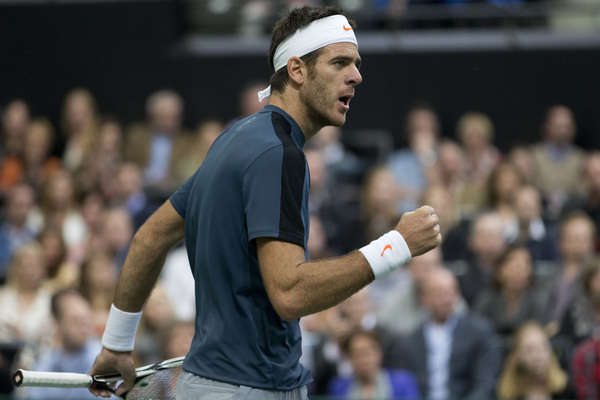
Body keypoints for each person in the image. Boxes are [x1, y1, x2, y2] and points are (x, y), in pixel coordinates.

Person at [89, 6, 441, 400]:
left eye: (355, 64)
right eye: (340, 62)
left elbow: (149, 238)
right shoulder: (279, 154)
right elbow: (290, 293)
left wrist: (117, 344)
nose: (356, 76)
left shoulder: (234, 140)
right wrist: (395, 247)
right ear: (297, 71)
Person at [395, 267, 501, 400]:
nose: (446, 299)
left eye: (450, 292)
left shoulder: (479, 333)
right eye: (439, 293)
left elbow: (485, 384)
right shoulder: (409, 342)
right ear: (424, 299)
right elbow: (405, 387)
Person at [28, 288, 101, 400]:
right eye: (76, 320)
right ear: (58, 323)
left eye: (87, 319)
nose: (84, 327)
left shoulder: (103, 359)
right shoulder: (44, 365)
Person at [327, 329, 420, 400]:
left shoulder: (403, 382)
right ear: (350, 358)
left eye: (368, 353)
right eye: (357, 354)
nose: (364, 360)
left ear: (379, 353)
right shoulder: (338, 387)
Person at [497, 322, 568, 400]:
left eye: (543, 348)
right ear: (517, 356)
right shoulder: (509, 395)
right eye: (529, 350)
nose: (538, 356)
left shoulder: (565, 390)